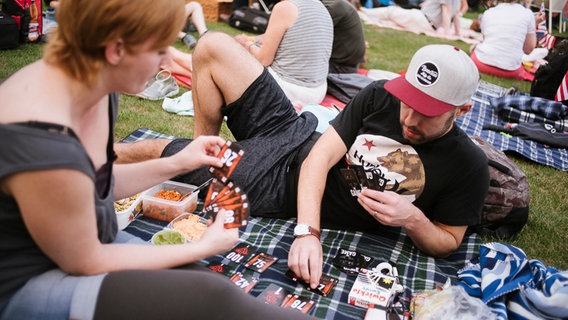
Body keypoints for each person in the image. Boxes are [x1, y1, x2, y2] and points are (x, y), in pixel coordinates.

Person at [0, 0, 317, 319]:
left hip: (91, 246)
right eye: (159, 49)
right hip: (30, 281)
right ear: (117, 49)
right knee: (210, 294)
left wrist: (179, 162)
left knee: (200, 278)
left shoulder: (97, 81)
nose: (167, 61)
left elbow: (97, 183)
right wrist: (204, 246)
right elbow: (85, 260)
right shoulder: (41, 136)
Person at [115, 37, 490, 290]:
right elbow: (319, 157)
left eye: (428, 113)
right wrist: (307, 233)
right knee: (213, 45)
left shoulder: (467, 165)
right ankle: (206, 153)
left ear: (462, 110)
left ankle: (87, 160)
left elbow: (447, 243)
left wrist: (412, 219)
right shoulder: (380, 96)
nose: (409, 119)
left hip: (279, 183)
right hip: (293, 133)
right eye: (409, 100)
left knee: (159, 150)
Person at [233, 0, 333, 106]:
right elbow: (270, 38)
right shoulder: (322, 9)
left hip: (289, 89)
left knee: (230, 55)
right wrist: (252, 40)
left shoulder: (285, 7)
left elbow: (263, 60)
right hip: (318, 91)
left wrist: (247, 45)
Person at [469, 0, 546, 81]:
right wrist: (534, 24)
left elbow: (486, 40)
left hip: (481, 64)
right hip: (510, 70)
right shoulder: (528, 14)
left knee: (473, 48)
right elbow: (528, 50)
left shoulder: (488, 12)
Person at [361, 0, 465, 38]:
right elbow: (456, 16)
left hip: (422, 19)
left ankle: (363, 10)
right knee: (392, 17)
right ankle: (364, 11)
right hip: (428, 24)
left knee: (392, 11)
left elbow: (446, 11)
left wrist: (446, 34)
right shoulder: (458, 2)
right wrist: (457, 33)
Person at [321, 0, 367, 74]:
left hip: (340, 68)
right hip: (345, 65)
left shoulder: (332, 7)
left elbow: (303, 34)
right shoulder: (336, 4)